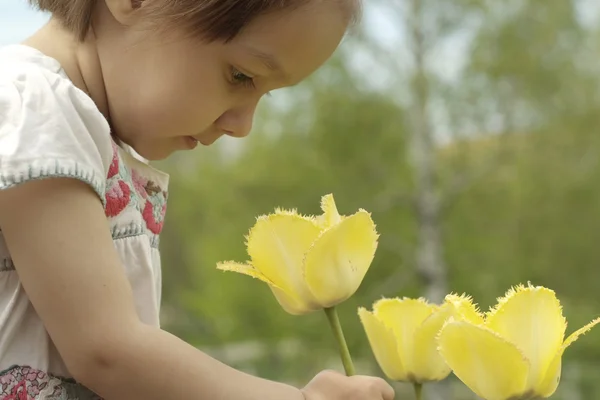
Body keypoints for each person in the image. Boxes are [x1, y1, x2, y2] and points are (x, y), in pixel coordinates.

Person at [0, 0, 396, 399]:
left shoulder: (78, 133)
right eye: (241, 76)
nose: (243, 126)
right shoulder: (34, 111)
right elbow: (109, 352)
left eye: (267, 95)